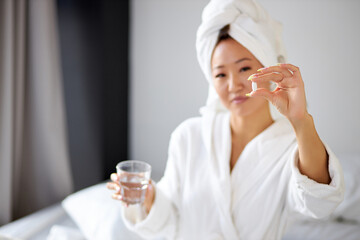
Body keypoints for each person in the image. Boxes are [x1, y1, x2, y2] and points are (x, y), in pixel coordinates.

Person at [107, 0, 344, 239]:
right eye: (220, 74)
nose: (233, 86)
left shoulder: (291, 147)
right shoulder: (189, 136)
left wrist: (301, 120)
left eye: (244, 69)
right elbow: (168, 222)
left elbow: (319, 203)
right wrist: (149, 200)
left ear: (268, 67)